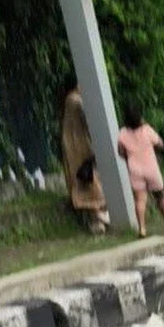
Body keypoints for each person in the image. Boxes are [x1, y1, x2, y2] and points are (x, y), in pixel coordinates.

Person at [59, 80, 109, 234]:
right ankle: (97, 216)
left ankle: (97, 216)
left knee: (86, 179)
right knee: (90, 180)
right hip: (80, 145)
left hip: (75, 144)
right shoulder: (76, 100)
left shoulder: (71, 100)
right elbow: (89, 119)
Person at [117, 104, 164, 238]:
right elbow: (160, 144)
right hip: (151, 167)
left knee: (140, 200)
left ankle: (142, 228)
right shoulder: (147, 129)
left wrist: (129, 157)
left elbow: (120, 152)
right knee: (160, 196)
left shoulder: (122, 133)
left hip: (135, 169)